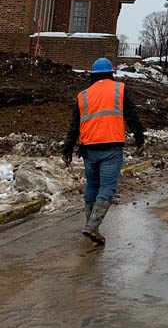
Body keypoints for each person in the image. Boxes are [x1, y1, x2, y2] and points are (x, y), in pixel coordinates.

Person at [62, 57, 145, 245]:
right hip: (111, 147)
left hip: (89, 148)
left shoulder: (83, 95)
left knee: (92, 185)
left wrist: (67, 148)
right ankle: (92, 226)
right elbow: (132, 117)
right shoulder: (119, 90)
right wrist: (140, 139)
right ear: (110, 73)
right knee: (107, 187)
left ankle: (91, 225)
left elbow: (74, 125)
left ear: (93, 75)